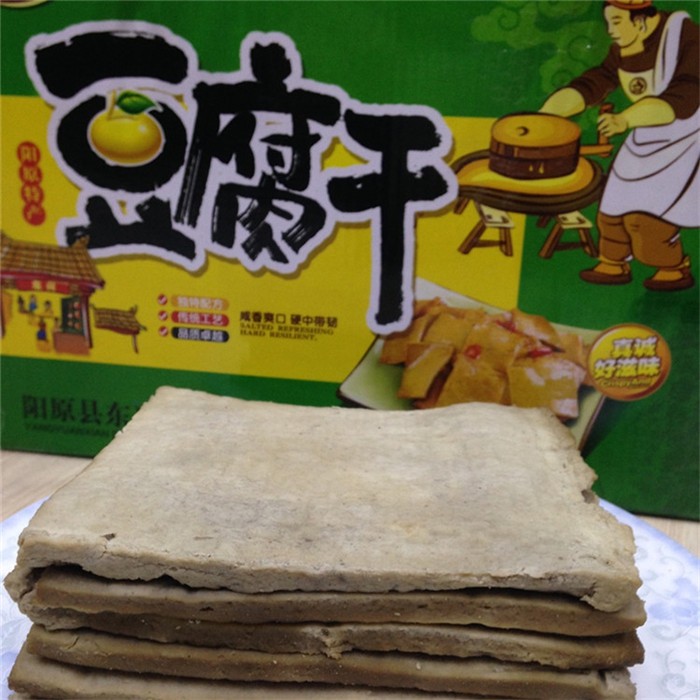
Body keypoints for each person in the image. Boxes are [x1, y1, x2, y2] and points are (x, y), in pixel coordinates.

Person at [540, 0, 699, 291]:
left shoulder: (685, 37)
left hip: (687, 139)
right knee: (611, 210)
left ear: (641, 21)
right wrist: (546, 116)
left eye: (617, 22)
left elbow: (686, 96)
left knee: (646, 221)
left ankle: (672, 268)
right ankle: (612, 262)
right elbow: (595, 82)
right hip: (645, 131)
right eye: (608, 22)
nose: (611, 31)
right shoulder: (624, 47)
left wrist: (625, 120)